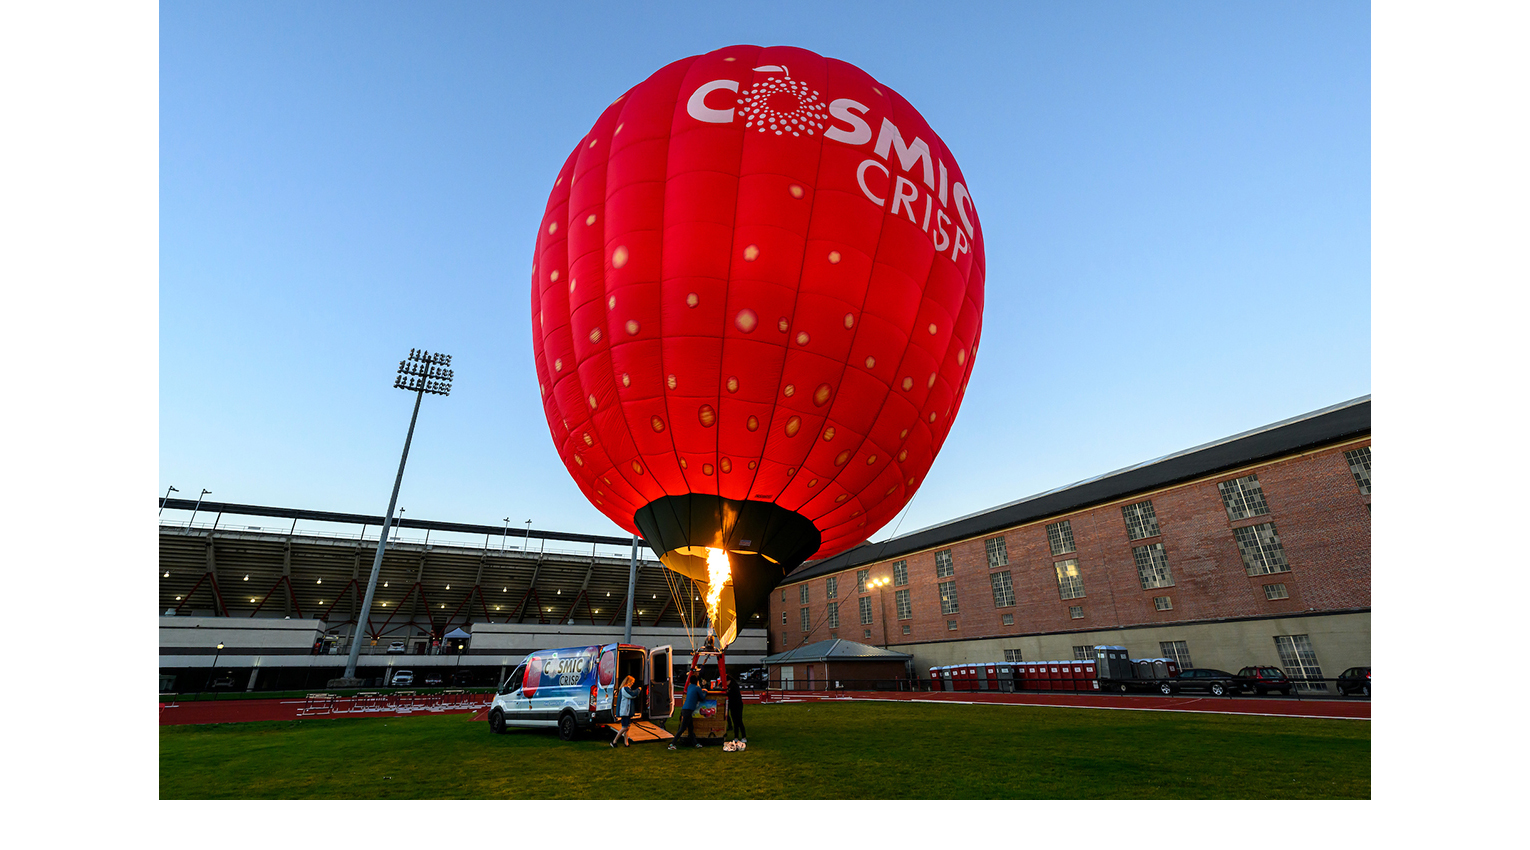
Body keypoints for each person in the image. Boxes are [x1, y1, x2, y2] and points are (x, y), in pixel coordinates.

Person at [669, 669, 706, 749]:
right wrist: (705, 691)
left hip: (685, 709)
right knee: (683, 728)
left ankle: (695, 744)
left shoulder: (689, 687)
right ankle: (672, 743)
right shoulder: (697, 688)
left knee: (690, 728)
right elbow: (702, 698)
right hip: (689, 710)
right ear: (697, 681)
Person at [611, 675, 641, 748]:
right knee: (625, 727)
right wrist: (638, 689)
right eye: (632, 682)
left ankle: (626, 743)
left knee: (627, 727)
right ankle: (614, 741)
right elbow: (632, 695)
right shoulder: (625, 689)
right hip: (625, 711)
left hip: (626, 711)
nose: (632, 683)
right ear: (629, 682)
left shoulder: (624, 689)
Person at [725, 673, 747, 747]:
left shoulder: (734, 686)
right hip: (734, 705)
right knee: (735, 721)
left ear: (729, 680)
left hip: (737, 705)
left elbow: (732, 695)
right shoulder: (732, 685)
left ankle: (743, 736)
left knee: (739, 721)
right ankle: (736, 737)